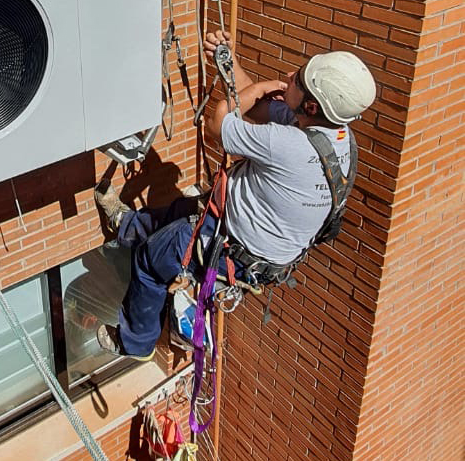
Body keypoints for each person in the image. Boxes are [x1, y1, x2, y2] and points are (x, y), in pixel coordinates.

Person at [95, 31, 377, 360]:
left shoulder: (290, 145)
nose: (288, 76)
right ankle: (125, 222)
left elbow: (217, 124)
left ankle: (136, 343)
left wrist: (258, 88)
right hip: (247, 238)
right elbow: (256, 110)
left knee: (149, 260)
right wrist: (228, 62)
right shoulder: (334, 135)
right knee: (176, 211)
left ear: (311, 104)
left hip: (227, 246)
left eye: (297, 78)